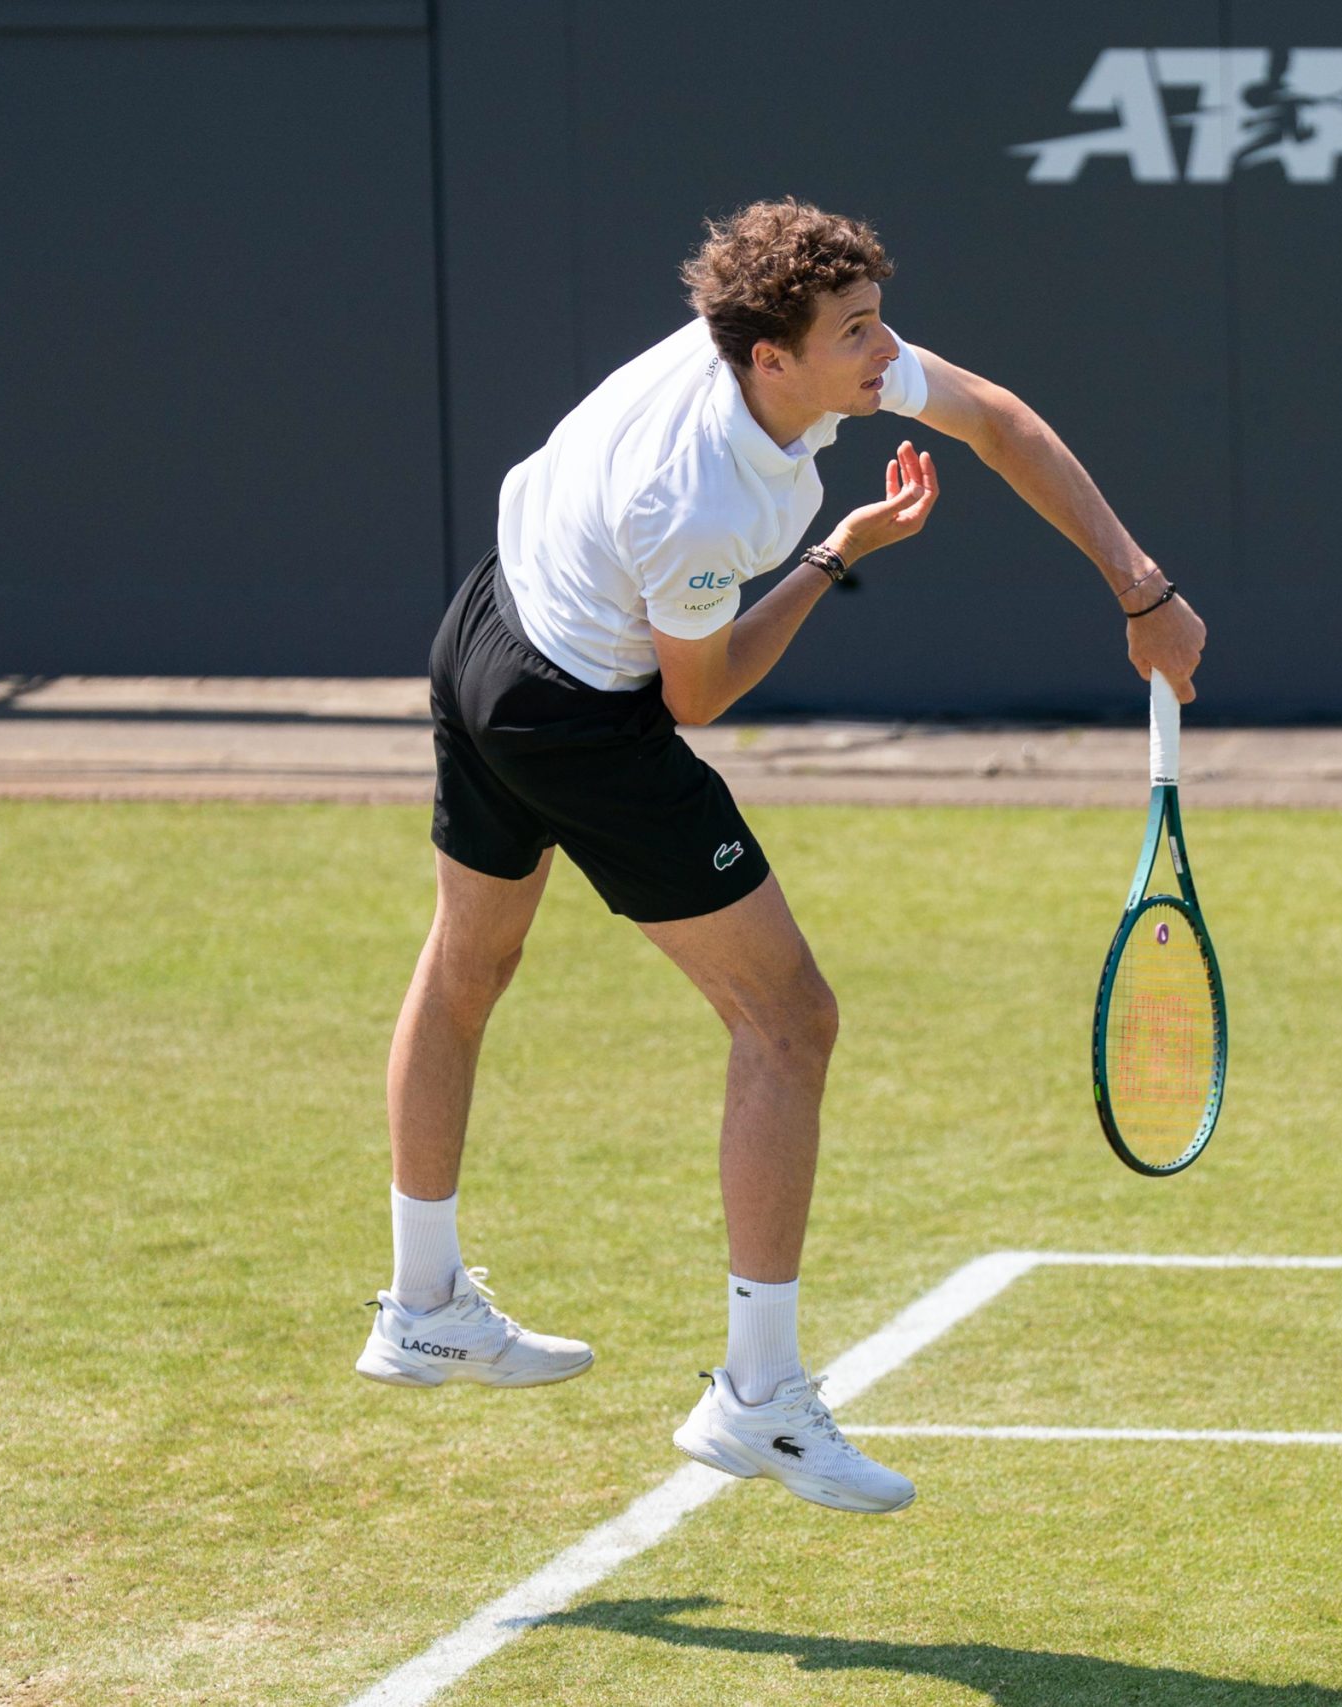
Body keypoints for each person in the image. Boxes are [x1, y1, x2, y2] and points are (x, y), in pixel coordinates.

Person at [355, 198, 1207, 1514]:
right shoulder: (694, 498)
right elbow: (697, 699)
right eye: (858, 336)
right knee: (788, 1019)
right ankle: (757, 1399)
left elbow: (997, 422)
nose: (887, 356)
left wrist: (1139, 587)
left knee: (466, 962)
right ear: (772, 359)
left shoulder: (795, 357)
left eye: (879, 324)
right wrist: (829, 559)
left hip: (487, 620)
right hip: (574, 710)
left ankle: (422, 1304)